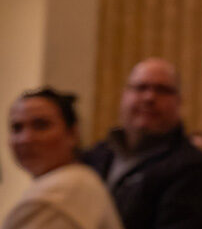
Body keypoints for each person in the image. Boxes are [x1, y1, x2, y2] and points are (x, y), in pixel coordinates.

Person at [81, 59, 202, 229]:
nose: (149, 97)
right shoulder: (96, 155)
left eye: (162, 90)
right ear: (124, 95)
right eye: (140, 87)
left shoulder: (192, 167)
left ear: (179, 102)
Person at [4, 88, 122, 229]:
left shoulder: (58, 194)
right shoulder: (80, 180)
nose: (26, 138)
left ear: (72, 133)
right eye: (17, 128)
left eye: (41, 125)